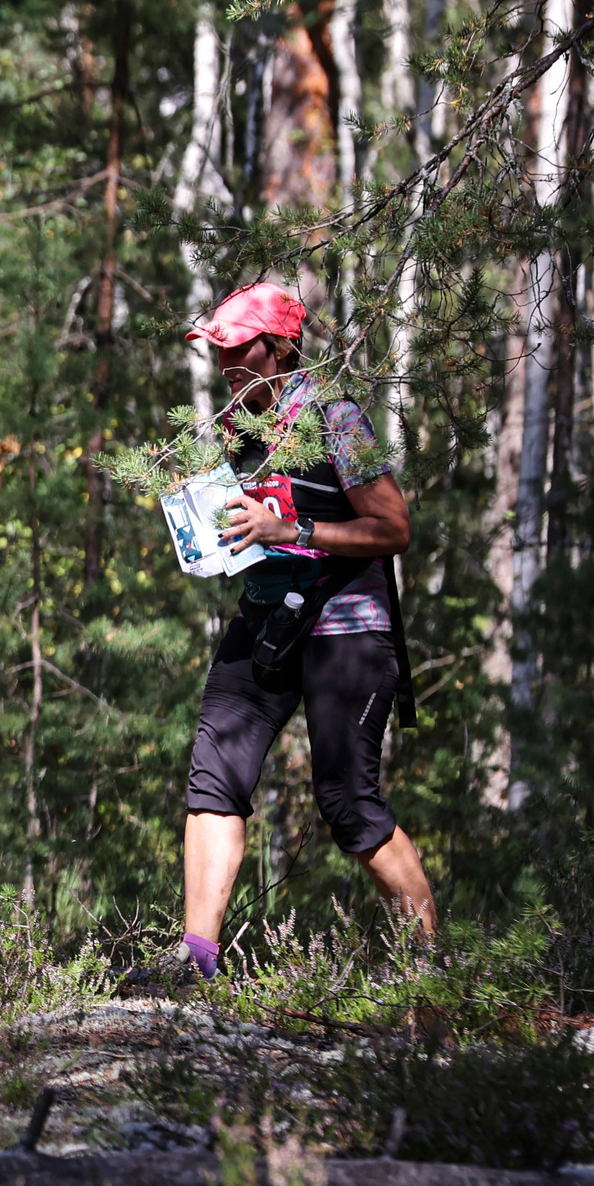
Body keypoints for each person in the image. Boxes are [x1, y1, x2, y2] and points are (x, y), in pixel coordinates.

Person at [177, 282, 437, 979]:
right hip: (266, 617)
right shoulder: (238, 423)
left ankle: (431, 973)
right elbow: (251, 524)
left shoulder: (334, 416)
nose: (226, 361)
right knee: (214, 775)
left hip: (345, 625)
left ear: (281, 347)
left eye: (240, 346)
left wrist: (293, 530)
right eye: (219, 348)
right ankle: (195, 962)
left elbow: (394, 528)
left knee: (347, 801)